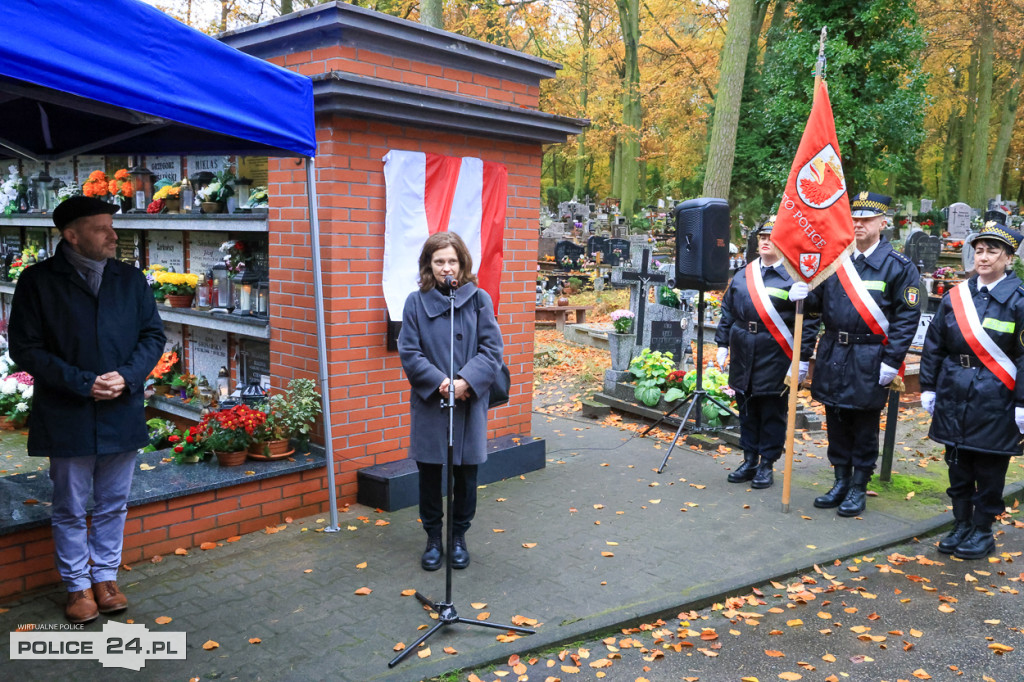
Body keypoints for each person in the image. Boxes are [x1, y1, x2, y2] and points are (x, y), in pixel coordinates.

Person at [8, 196, 165, 623]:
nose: (113, 236)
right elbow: (24, 348)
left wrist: (128, 376)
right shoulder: (37, 281)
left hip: (121, 406)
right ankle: (78, 585)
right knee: (70, 505)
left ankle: (106, 578)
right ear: (71, 235)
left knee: (114, 502)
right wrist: (81, 382)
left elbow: (152, 336)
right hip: (67, 410)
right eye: (101, 228)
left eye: (111, 226)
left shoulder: (130, 279)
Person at [802, 191, 922, 516]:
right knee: (836, 418)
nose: (858, 224)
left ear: (883, 223)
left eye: (866, 219)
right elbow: (817, 306)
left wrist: (892, 361)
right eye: (854, 218)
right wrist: (803, 292)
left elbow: (906, 318)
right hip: (833, 352)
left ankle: (858, 485)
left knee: (864, 425)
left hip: (870, 355)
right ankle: (840, 480)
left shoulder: (898, 267)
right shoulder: (836, 262)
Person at [398, 232, 504, 571]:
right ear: (429, 264)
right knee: (430, 476)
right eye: (439, 261)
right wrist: (441, 383)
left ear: (462, 264)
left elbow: (492, 350)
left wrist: (465, 383)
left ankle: (458, 537)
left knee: (466, 478)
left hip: (469, 404)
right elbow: (409, 351)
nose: (446, 268)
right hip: (432, 403)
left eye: (452, 261)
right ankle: (433, 538)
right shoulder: (416, 302)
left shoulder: (479, 299)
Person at [919, 222, 1024, 559]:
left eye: (992, 250)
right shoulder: (956, 297)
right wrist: (927, 386)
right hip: (954, 392)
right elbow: (934, 345)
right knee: (958, 464)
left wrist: (1023, 401)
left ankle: (982, 529)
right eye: (979, 250)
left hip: (997, 399)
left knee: (989, 469)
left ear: (1009, 257)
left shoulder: (1019, 301)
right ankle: (961, 523)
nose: (983, 257)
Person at [715, 217, 816, 488]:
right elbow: (727, 311)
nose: (766, 242)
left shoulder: (795, 279)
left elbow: (808, 322)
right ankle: (749, 459)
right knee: (747, 408)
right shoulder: (743, 274)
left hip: (775, 353)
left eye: (772, 237)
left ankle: (767, 464)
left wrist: (802, 357)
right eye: (762, 237)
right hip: (743, 350)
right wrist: (722, 344)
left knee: (772, 411)